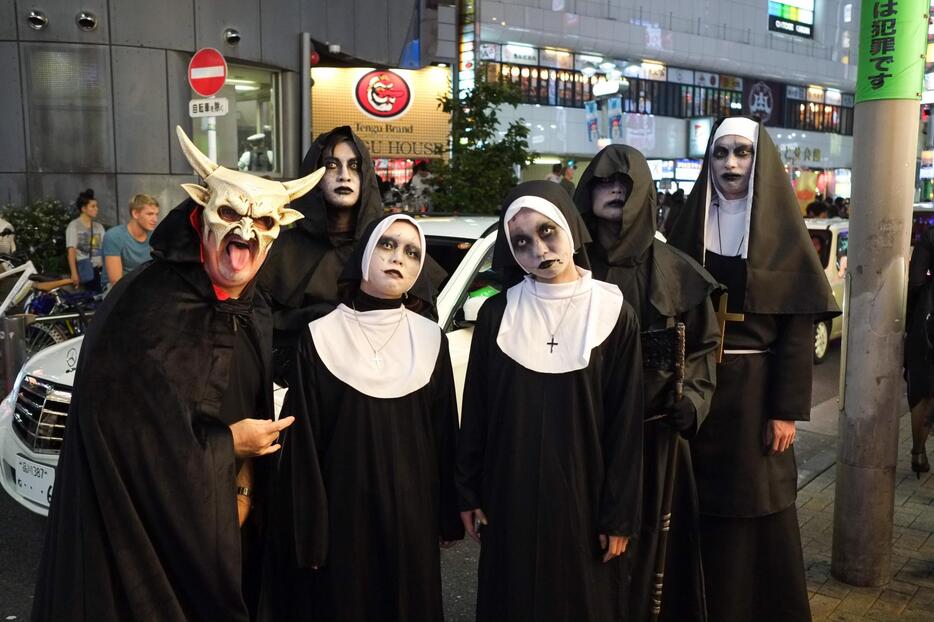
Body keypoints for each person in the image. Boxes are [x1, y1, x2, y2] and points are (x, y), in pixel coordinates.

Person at [32, 127, 324, 621]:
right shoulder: (144, 301)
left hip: (227, 525)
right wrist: (226, 445)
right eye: (231, 214)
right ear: (201, 212)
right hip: (143, 536)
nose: (246, 233)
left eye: (265, 223)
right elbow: (116, 434)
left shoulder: (253, 308)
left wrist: (246, 484)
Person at [667, 117, 839, 622]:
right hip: (697, 392)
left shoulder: (785, 237)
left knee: (753, 508)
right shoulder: (688, 226)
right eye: (720, 154)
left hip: (755, 398)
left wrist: (785, 411)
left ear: (758, 159)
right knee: (694, 505)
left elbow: (795, 328)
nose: (731, 164)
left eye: (742, 152)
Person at [456, 180, 644, 622]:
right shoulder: (497, 314)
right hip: (509, 498)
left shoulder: (615, 312)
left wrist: (619, 516)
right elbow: (477, 413)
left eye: (546, 232)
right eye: (520, 241)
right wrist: (467, 491)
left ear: (568, 227)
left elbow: (626, 423)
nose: (538, 249)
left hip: (585, 498)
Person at [265, 214, 463, 620]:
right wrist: (311, 531)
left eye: (412, 252)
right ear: (365, 254)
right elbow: (305, 447)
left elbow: (444, 434)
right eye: (388, 245)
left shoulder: (430, 339)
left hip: (412, 518)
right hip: (342, 521)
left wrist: (447, 516)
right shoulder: (320, 334)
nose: (399, 258)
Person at [574, 144, 720, 622]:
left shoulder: (674, 270)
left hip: (652, 440)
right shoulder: (564, 260)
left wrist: (695, 400)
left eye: (627, 182)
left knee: (649, 554)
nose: (616, 189)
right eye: (603, 181)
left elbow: (701, 348)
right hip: (580, 438)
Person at [905, 227, 934, 476]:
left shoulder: (930, 235)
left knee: (923, 389)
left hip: (928, 318)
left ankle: (918, 451)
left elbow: (914, 281)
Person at [101, 193, 160, 288]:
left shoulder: (154, 236)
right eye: (150, 214)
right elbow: (116, 282)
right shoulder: (114, 236)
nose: (155, 219)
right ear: (135, 214)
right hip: (116, 291)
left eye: (156, 214)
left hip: (144, 286)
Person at [66, 188, 106, 291]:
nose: (96, 209)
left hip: (101, 269)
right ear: (83, 208)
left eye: (96, 206)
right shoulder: (74, 226)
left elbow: (106, 246)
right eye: (92, 206)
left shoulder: (98, 226)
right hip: (87, 268)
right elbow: (71, 251)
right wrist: (74, 273)